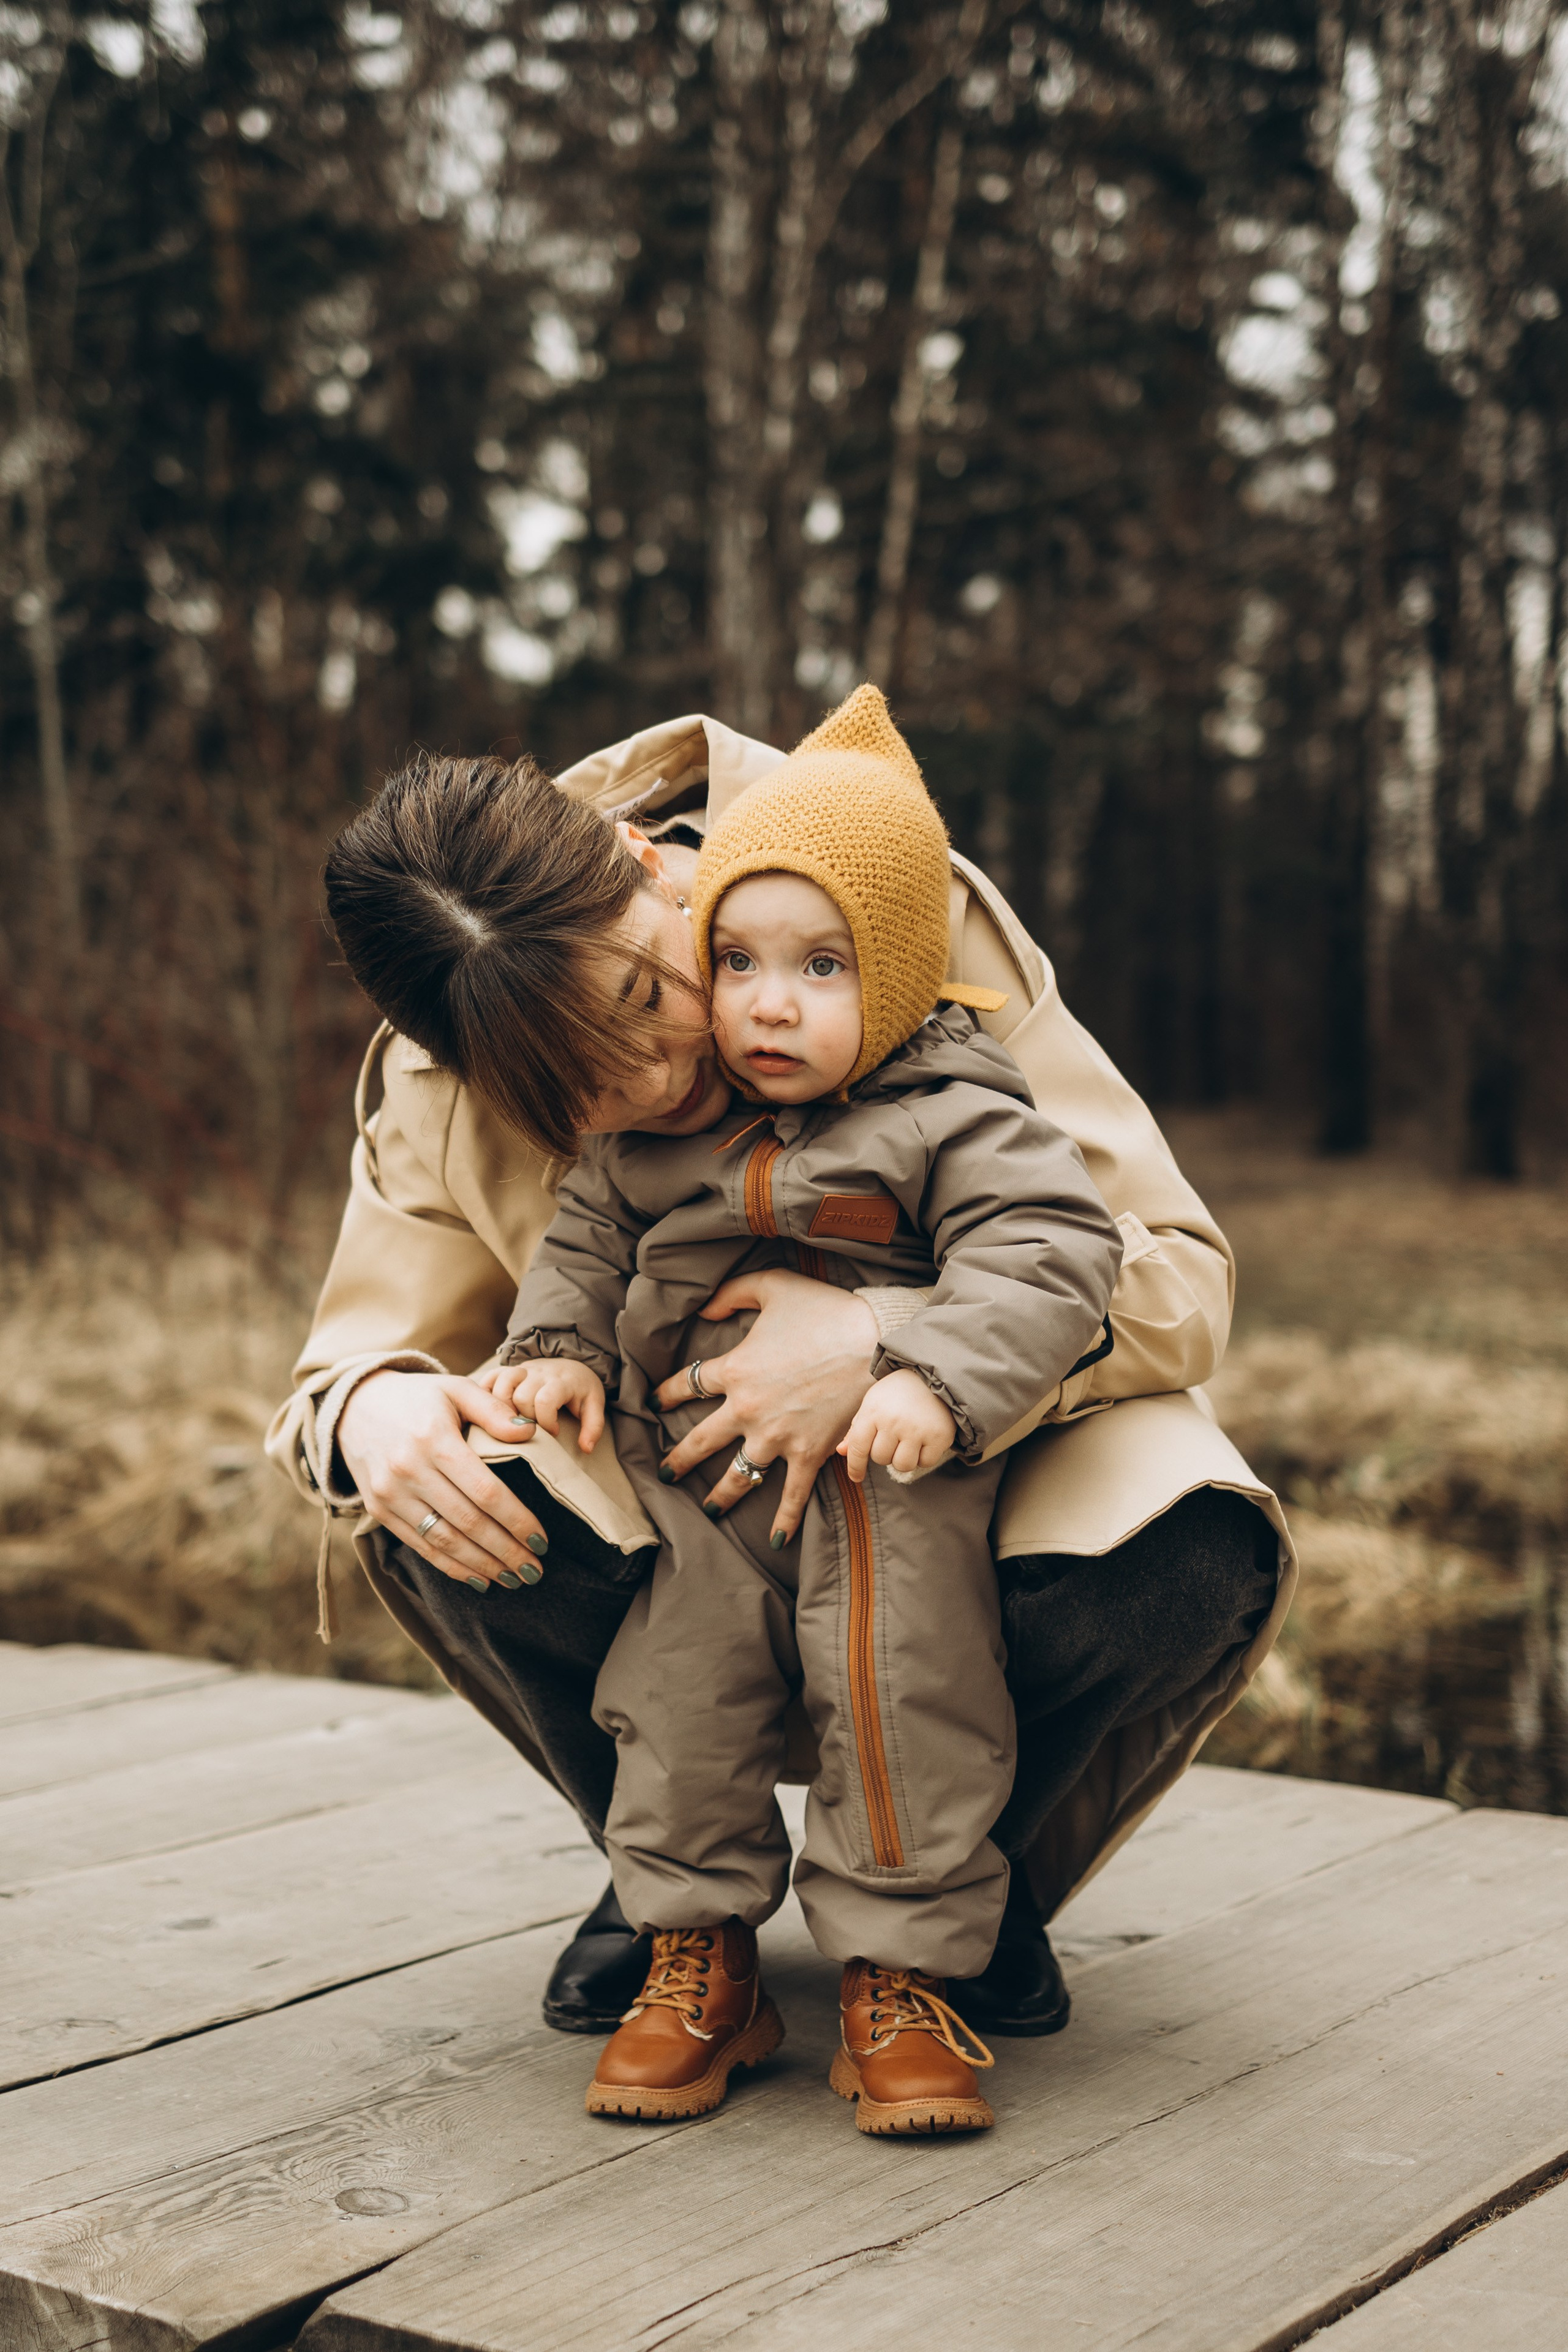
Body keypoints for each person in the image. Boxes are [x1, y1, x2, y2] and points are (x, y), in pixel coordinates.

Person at [267, 697, 1294, 2054]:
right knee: (434, 1497)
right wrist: (371, 1406)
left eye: (645, 991)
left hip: (960, 1460)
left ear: (641, 858)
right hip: (680, 1487)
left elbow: (1170, 1270)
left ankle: (964, 1888)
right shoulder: (441, 1064)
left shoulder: (880, 894)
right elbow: (345, 1358)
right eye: (582, 1081)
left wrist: (888, 1341)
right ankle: (674, 1895)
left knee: (1192, 1552)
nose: (662, 1070)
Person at [492, 688, 1125, 2134]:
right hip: (700, 1477)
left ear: (896, 978)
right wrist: (557, 1346)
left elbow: (1051, 1253)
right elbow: (586, 1232)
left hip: (887, 1484)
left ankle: (897, 1979)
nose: (769, 1004)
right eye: (738, 962)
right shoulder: (667, 1125)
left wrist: (932, 1376)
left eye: (823, 966)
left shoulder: (960, 1110)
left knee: (908, 1697)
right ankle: (697, 1955)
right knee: (675, 1697)